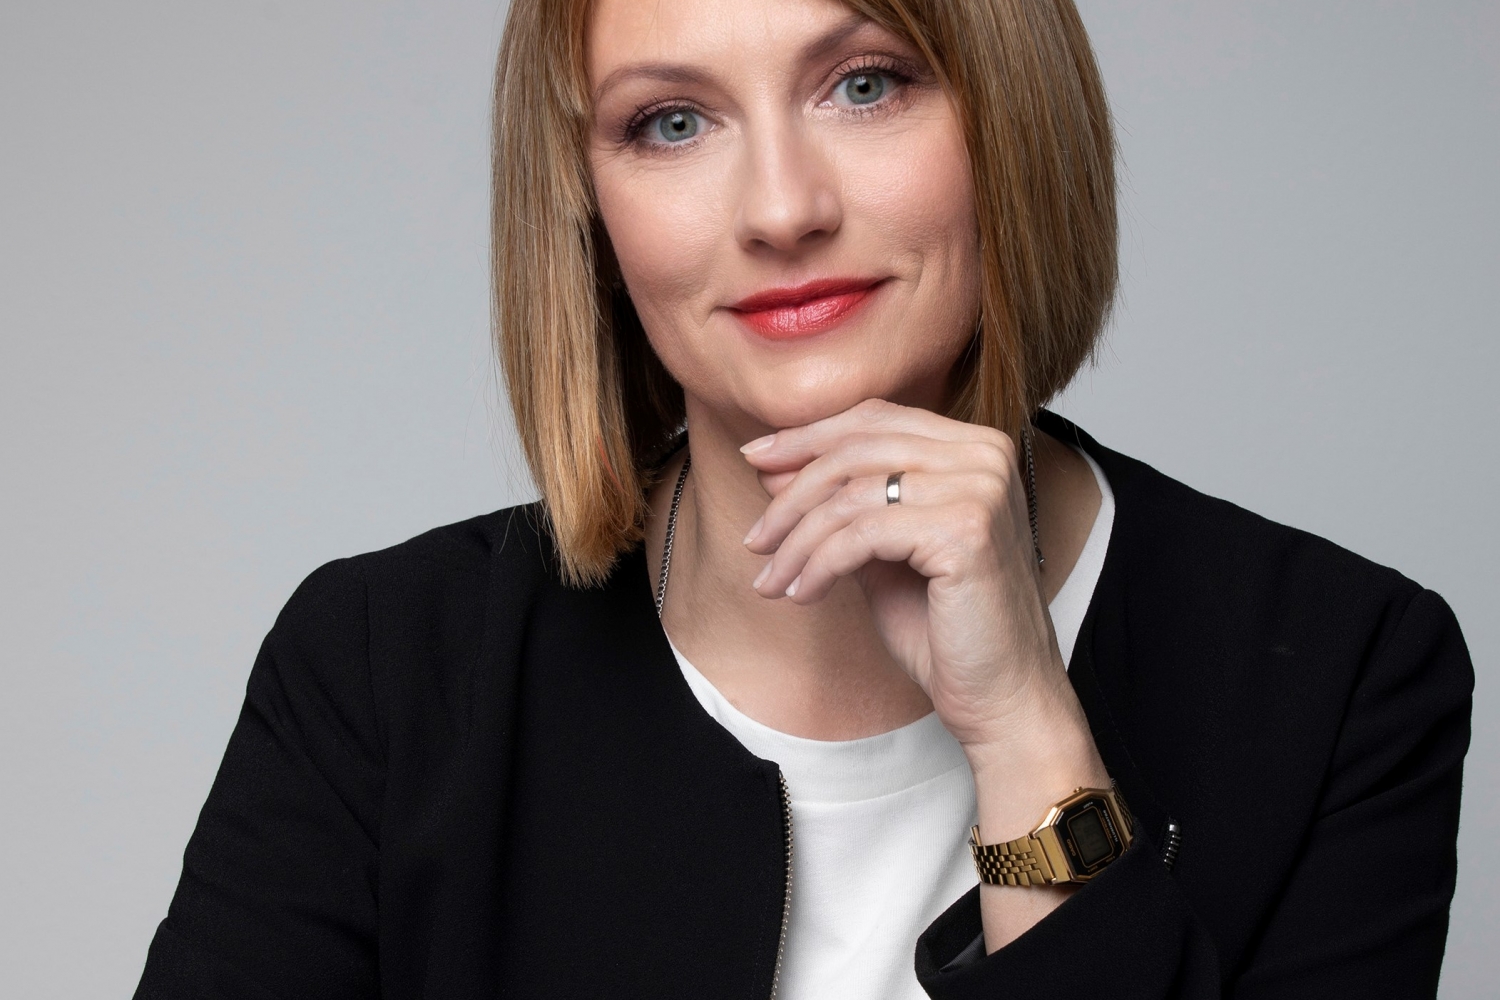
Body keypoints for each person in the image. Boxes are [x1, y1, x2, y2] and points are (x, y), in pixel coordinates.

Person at [134, 0, 1473, 996]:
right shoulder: (384, 670)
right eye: (672, 122)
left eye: (866, 84)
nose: (781, 209)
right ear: (589, 205)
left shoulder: (1346, 674)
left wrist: (1025, 733)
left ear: (1011, 119)